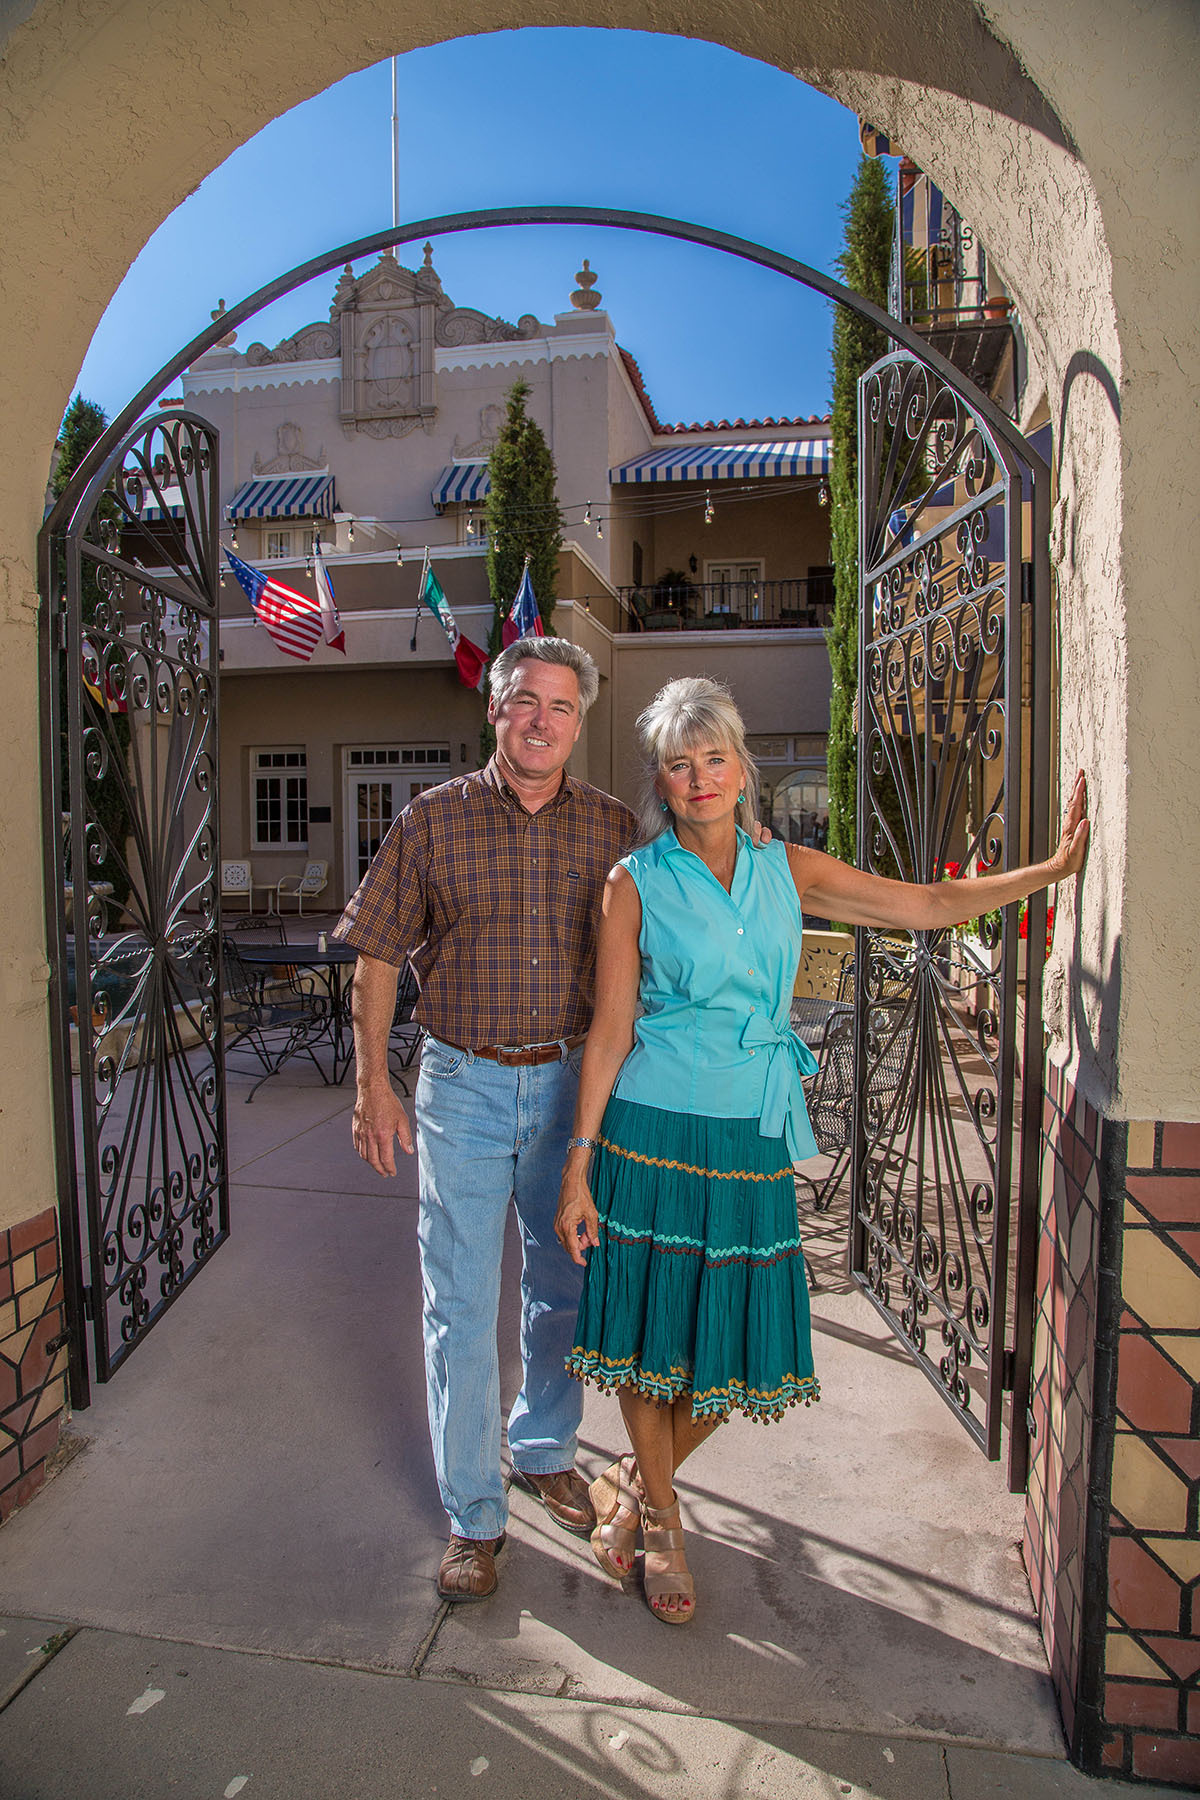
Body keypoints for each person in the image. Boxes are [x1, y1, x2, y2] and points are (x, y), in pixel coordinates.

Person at [555, 676, 1089, 1627]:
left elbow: (923, 904)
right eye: (680, 765)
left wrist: (1042, 875)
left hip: (755, 1131)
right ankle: (666, 1524)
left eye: (714, 757)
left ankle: (634, 1488)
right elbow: (609, 1025)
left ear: (741, 767)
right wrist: (579, 1161)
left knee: (737, 1348)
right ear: (663, 783)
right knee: (649, 1344)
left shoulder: (786, 868)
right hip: (653, 1126)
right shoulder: (633, 882)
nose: (700, 777)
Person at [336, 636, 636, 1604]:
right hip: (461, 1087)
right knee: (460, 1303)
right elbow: (377, 952)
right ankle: (473, 1516)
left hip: (568, 1096)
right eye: (523, 703)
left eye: (559, 705)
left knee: (562, 1288)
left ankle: (542, 1446)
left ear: (578, 722)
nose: (540, 720)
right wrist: (372, 1082)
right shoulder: (434, 821)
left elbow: (651, 963)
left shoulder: (613, 830)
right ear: (494, 712)